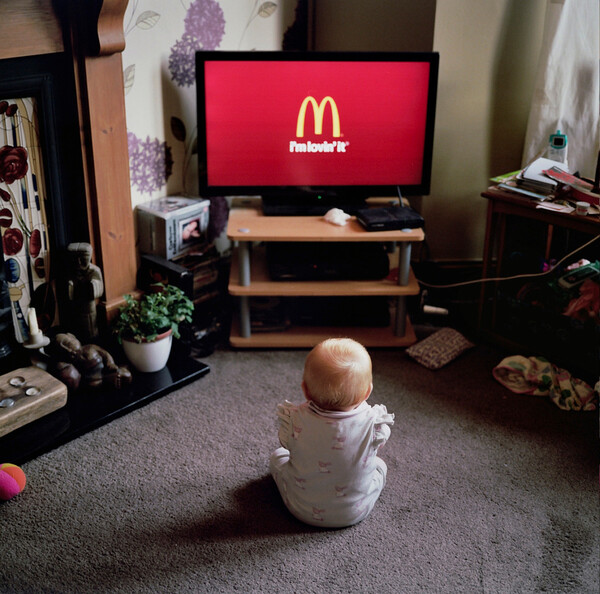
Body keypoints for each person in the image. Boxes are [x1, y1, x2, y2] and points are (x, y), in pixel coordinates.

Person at [270, 338, 394, 528]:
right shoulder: (374, 423)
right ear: (367, 392)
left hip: (299, 509)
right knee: (380, 465)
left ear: (305, 390)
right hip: (355, 512)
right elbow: (380, 443)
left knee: (278, 456)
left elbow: (285, 443)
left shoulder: (294, 419)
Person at [66, 242, 104, 342]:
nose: (78, 262)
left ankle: (92, 340)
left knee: (90, 323)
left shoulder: (94, 271)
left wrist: (94, 285)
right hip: (75, 303)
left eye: (83, 259)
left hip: (88, 304)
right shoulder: (71, 272)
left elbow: (100, 288)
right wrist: (70, 286)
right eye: (75, 259)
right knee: (76, 323)